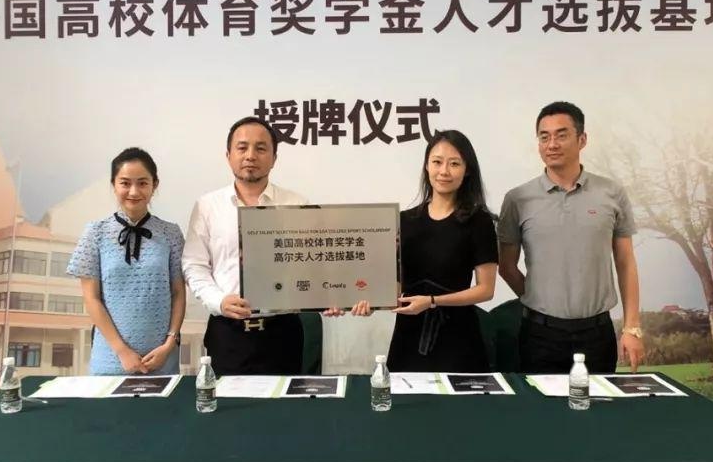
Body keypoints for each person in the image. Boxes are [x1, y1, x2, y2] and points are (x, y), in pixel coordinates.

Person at [497, 101, 644, 375]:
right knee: (540, 403)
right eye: (544, 137)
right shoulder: (518, 199)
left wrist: (632, 327)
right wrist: (538, 298)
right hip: (538, 335)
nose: (552, 144)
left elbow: (625, 261)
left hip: (597, 333)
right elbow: (506, 266)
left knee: (597, 402)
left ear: (582, 139)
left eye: (561, 135)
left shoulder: (611, 193)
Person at [334, 130, 498, 372]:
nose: (444, 171)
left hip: (459, 339)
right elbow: (395, 288)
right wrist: (370, 303)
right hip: (407, 338)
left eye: (454, 164)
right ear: (426, 166)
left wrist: (431, 302)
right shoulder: (405, 220)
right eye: (437, 162)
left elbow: (486, 290)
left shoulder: (479, 221)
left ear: (467, 170)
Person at [182, 117, 307, 375]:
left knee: (284, 399)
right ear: (228, 155)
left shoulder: (296, 204)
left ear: (274, 158)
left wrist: (328, 295)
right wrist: (219, 301)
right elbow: (194, 265)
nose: (250, 155)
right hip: (227, 332)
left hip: (282, 334)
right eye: (242, 147)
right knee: (225, 400)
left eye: (260, 148)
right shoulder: (207, 206)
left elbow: (311, 265)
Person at [67, 147, 186, 375]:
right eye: (125, 183)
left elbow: (178, 292)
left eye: (142, 183)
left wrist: (170, 343)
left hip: (161, 358)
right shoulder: (95, 232)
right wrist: (122, 351)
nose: (134, 191)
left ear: (154, 185)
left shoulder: (170, 233)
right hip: (110, 358)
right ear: (113, 185)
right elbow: (91, 298)